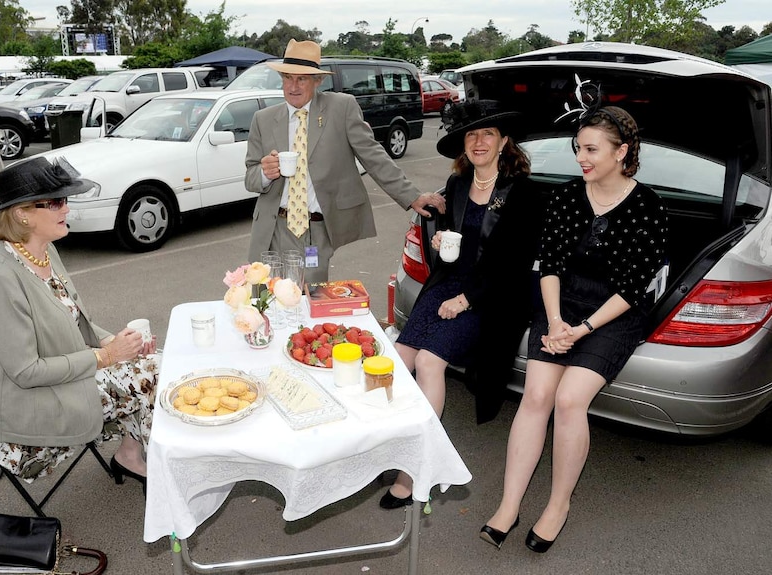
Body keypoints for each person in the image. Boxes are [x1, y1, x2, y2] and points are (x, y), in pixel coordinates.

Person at [481, 102, 668, 552]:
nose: (581, 158)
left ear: (621, 152)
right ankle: (509, 504)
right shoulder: (566, 195)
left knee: (568, 400)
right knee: (537, 395)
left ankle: (557, 505)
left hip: (613, 313)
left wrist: (580, 329)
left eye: (590, 149)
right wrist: (557, 319)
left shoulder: (648, 205)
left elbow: (634, 288)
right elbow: (549, 264)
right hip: (559, 303)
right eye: (577, 148)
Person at [380, 99, 543, 509]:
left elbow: (514, 264)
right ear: (463, 146)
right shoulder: (454, 185)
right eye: (472, 135)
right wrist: (441, 242)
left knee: (431, 362)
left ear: (505, 142)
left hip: (491, 297)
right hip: (448, 284)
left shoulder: (523, 193)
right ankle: (385, 444)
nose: (479, 142)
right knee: (399, 356)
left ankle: (414, 469)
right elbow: (457, 237)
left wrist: (467, 299)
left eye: (488, 134)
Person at [0, 157, 158, 491]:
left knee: (149, 362)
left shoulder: (43, 251)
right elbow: (25, 372)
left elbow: (78, 324)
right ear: (21, 213)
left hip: (58, 381)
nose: (66, 209)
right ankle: (164, 474)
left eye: (66, 200)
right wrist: (108, 356)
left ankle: (133, 455)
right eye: (55, 202)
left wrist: (120, 343)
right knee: (152, 376)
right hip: (22, 416)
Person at [245, 38, 445, 283]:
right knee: (264, 297)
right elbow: (251, 178)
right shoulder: (262, 119)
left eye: (302, 78)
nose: (293, 86)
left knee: (311, 296)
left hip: (314, 230)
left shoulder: (341, 108)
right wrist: (265, 172)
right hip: (272, 229)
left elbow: (373, 155)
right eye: (288, 77)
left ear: (317, 81)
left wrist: (411, 196)